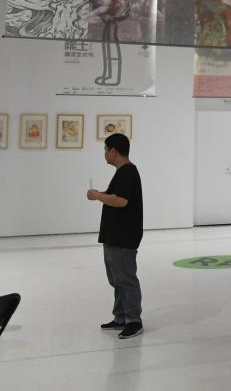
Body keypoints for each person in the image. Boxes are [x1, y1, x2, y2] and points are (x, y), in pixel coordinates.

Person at [86, 133, 144, 339]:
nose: (104, 153)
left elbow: (121, 201)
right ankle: (120, 317)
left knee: (125, 279)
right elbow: (116, 196)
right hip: (115, 236)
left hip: (123, 237)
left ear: (113, 151)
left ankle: (133, 320)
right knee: (116, 279)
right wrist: (101, 194)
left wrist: (96, 195)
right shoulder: (123, 173)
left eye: (105, 149)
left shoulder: (127, 172)